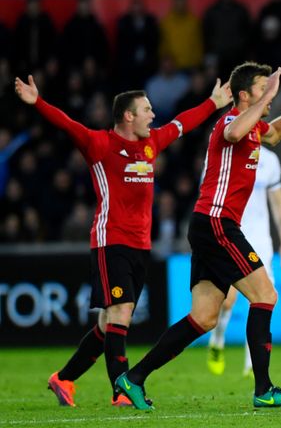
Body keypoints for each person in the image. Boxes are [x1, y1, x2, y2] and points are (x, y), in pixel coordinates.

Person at [14, 73, 231, 407]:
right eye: (146, 109)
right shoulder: (100, 145)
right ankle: (122, 390)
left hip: (141, 246)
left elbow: (181, 124)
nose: (152, 115)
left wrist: (213, 104)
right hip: (110, 240)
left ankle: (64, 378)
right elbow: (68, 124)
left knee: (107, 324)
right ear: (128, 115)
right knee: (122, 312)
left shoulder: (150, 143)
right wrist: (38, 102)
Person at [116, 62, 281, 410]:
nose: (269, 98)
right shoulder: (228, 123)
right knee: (265, 295)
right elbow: (235, 133)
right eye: (263, 91)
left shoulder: (254, 129)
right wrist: (269, 95)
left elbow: (276, 133)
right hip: (217, 222)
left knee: (204, 318)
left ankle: (133, 378)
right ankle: (263, 389)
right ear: (243, 95)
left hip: (209, 225)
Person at [207, 146, 281, 376]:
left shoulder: (270, 159)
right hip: (229, 233)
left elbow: (278, 202)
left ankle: (252, 363)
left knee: (262, 299)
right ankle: (217, 339)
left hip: (260, 240)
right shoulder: (222, 152)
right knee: (227, 301)